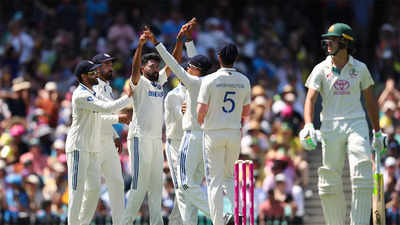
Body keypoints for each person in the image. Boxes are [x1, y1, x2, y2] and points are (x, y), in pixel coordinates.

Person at [299, 23, 387, 225]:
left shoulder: (360, 68)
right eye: (328, 40)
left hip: (356, 123)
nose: (328, 43)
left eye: (333, 40)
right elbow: (310, 99)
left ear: (345, 42)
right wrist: (308, 125)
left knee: (363, 172)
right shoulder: (321, 69)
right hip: (330, 125)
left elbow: (370, 100)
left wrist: (378, 132)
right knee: (329, 179)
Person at [149, 20, 233, 225]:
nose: (187, 68)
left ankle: (219, 216)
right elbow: (195, 60)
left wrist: (156, 42)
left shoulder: (192, 82)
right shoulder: (209, 81)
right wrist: (187, 40)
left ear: (195, 70)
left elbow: (173, 64)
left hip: (188, 139)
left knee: (185, 188)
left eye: (190, 67)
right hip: (199, 139)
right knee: (189, 189)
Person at [65, 60, 131, 225]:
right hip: (78, 148)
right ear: (83, 76)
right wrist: (129, 97)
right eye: (92, 72)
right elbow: (107, 108)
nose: (97, 74)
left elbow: (100, 116)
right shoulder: (81, 94)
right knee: (77, 191)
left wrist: (115, 132)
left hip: (92, 148)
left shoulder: (92, 92)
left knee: (94, 190)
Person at [196, 43, 251, 225]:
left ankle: (218, 222)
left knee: (214, 181)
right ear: (235, 58)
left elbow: (200, 112)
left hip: (213, 133)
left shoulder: (209, 80)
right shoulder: (244, 80)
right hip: (234, 133)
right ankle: (240, 215)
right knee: (229, 177)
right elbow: (246, 113)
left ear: (219, 57)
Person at [119, 29, 170, 225]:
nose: (156, 69)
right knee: (139, 185)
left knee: (157, 185)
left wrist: (178, 39)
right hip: (139, 137)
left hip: (157, 140)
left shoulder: (160, 83)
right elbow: (133, 68)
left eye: (157, 66)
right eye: (151, 66)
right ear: (143, 69)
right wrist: (140, 46)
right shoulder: (139, 83)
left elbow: (174, 61)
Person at [78, 53, 125, 225]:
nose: (110, 67)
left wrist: (114, 134)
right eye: (106, 64)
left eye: (111, 64)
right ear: (96, 69)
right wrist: (118, 119)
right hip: (94, 142)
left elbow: (104, 116)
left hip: (107, 140)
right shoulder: (94, 89)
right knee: (92, 190)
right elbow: (95, 117)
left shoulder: (107, 87)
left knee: (117, 183)